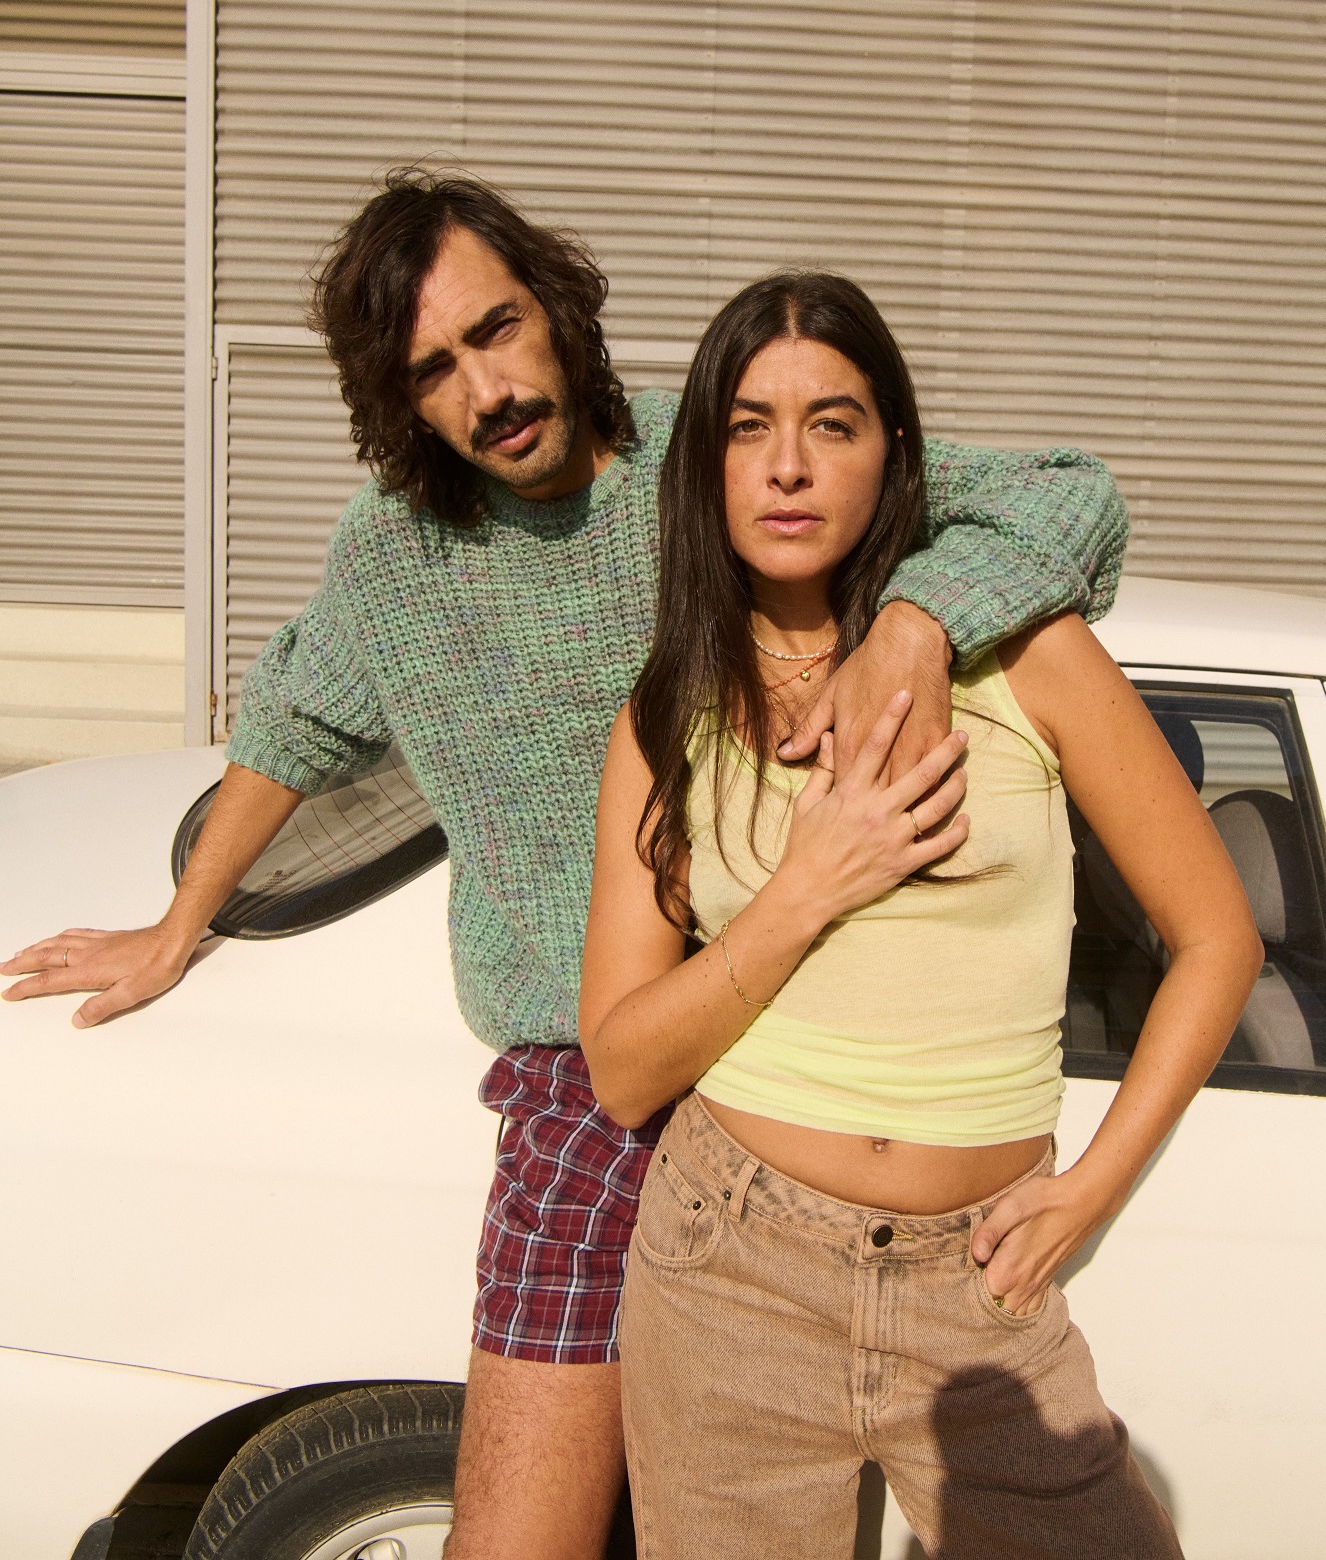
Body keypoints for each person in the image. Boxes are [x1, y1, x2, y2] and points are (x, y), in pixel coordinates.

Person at [3, 173, 1130, 1560]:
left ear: (555, 307)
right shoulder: (394, 555)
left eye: (496, 329)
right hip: (585, 1089)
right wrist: (178, 923)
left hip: (796, 1062)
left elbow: (1064, 497)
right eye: (433, 368)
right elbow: (294, 724)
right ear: (401, 400)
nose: (485, 388)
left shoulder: (706, 461)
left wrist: (915, 618)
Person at [579, 272, 1262, 1559]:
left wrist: (1089, 1188)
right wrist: (805, 887)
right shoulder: (664, 715)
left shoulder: (1024, 655)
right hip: (727, 1269)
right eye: (746, 427)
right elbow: (619, 1068)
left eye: (831, 424)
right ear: (704, 465)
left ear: (895, 452)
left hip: (977, 1284)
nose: (787, 466)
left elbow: (1217, 936)